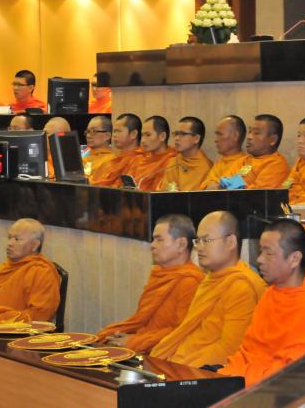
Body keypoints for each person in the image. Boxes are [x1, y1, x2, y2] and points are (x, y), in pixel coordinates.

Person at [219, 219, 305, 386]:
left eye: (269, 253)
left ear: (294, 259)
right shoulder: (270, 295)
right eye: (260, 251)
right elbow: (248, 352)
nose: (260, 259)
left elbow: (297, 373)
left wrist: (240, 381)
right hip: (249, 380)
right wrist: (226, 378)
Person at [150, 211, 266, 368]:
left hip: (200, 369)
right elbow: (191, 332)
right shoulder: (210, 280)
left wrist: (182, 368)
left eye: (206, 240)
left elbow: (230, 350)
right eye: (198, 241)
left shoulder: (241, 287)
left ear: (230, 242)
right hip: (181, 360)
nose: (199, 248)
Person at [97, 214, 203, 352]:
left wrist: (135, 341)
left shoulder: (190, 282)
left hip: (164, 353)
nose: (152, 245)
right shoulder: (160, 274)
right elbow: (143, 320)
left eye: (159, 240)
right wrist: (128, 336)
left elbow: (182, 333)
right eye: (153, 239)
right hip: (144, 343)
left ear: (181, 244)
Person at [0, 218, 60, 323]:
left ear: (35, 245)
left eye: (17, 239)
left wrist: (2, 318)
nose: (10, 243)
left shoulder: (41, 271)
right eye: (9, 237)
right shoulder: (6, 266)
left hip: (17, 329)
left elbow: (41, 314)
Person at [159, 117, 213, 191]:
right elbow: (163, 192)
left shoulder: (206, 168)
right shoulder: (173, 163)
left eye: (183, 134)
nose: (177, 138)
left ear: (196, 138)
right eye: (176, 134)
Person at [89, 113, 144, 186]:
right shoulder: (117, 160)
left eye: (118, 131)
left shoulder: (140, 161)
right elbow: (105, 182)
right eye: (114, 131)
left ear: (133, 134)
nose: (114, 135)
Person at [124, 116, 176, 190]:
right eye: (142, 135)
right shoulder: (139, 159)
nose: (143, 140)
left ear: (162, 136)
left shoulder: (172, 162)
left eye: (148, 135)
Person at [240, 114, 290, 189]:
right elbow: (222, 184)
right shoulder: (244, 160)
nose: (249, 137)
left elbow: (257, 194)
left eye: (256, 133)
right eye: (249, 131)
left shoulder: (276, 165)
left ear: (272, 140)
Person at [201, 115, 247, 190]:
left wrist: (217, 186)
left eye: (220, 134)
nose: (216, 140)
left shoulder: (246, 164)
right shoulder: (219, 164)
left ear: (235, 136)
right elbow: (206, 187)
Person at [82, 116, 115, 180]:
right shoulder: (85, 159)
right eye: (88, 131)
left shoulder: (111, 161)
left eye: (94, 131)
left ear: (107, 136)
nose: (88, 136)